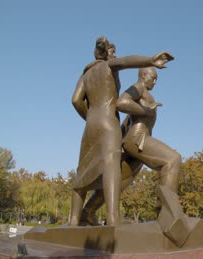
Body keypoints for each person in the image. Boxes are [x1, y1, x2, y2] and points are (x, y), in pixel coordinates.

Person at [69, 36, 174, 227]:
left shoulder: (86, 74)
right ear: (107, 54)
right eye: (113, 53)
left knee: (82, 171)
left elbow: (75, 100)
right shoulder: (108, 66)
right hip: (108, 121)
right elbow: (126, 62)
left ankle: (74, 220)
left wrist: (89, 116)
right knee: (111, 167)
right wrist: (150, 60)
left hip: (91, 123)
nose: (115, 56)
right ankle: (112, 219)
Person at [116, 66, 190, 246]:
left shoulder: (145, 92)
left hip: (136, 139)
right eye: (153, 78)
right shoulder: (138, 87)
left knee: (119, 182)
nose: (155, 81)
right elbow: (121, 103)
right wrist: (147, 110)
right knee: (172, 160)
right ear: (143, 76)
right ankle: (166, 213)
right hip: (138, 138)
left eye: (157, 79)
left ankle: (88, 212)